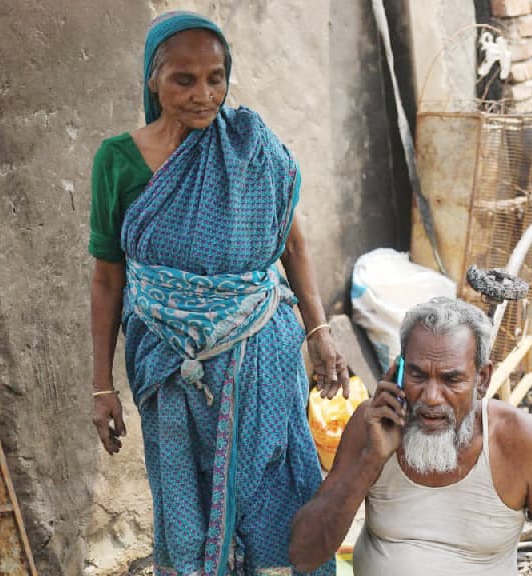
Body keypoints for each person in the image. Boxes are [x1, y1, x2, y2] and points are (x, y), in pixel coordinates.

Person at [88, 12, 347, 575]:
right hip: (166, 361)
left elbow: (292, 244)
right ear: (153, 80)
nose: (203, 94)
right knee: (183, 502)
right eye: (184, 79)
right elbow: (109, 277)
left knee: (273, 489)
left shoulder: (252, 149)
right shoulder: (119, 161)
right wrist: (101, 385)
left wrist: (319, 333)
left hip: (260, 352)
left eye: (216, 77)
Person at [289, 297, 532, 576]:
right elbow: (303, 555)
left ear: (482, 379)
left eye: (451, 379)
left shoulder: (524, 441)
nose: (431, 397)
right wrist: (372, 459)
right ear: (398, 372)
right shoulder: (372, 424)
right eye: (417, 375)